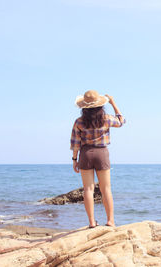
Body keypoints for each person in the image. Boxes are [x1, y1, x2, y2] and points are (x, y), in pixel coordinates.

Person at [70, 90, 125, 228]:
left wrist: (74, 159)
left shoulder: (79, 121)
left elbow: (75, 142)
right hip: (102, 153)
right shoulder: (106, 118)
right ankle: (110, 221)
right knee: (106, 188)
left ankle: (91, 222)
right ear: (100, 105)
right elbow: (121, 121)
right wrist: (113, 103)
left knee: (88, 189)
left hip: (85, 153)